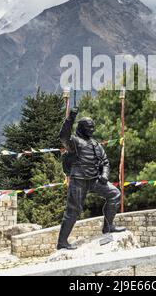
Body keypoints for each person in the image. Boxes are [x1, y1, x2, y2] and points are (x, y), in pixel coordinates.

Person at [57, 107, 126, 250]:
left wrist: (105, 175)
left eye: (93, 127)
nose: (92, 130)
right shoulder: (74, 142)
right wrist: (71, 117)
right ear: (81, 128)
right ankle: (62, 242)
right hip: (79, 180)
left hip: (95, 180)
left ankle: (108, 227)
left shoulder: (96, 145)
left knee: (115, 194)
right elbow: (63, 136)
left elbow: (105, 162)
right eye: (89, 127)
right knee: (73, 210)